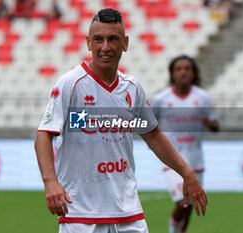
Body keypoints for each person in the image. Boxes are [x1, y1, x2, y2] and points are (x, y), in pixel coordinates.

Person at [35, 9, 207, 233]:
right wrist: (50, 182)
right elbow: (44, 134)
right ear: (88, 43)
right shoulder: (71, 83)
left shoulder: (132, 88)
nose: (105, 47)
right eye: (98, 39)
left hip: (128, 213)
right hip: (81, 214)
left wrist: (187, 173)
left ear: (125, 43)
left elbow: (153, 135)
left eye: (112, 39)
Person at [151, 55, 219, 233]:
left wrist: (210, 124)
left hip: (196, 161)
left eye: (187, 68)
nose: (183, 72)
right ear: (172, 74)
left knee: (189, 206)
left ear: (194, 73)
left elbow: (215, 125)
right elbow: (148, 123)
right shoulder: (161, 99)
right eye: (179, 69)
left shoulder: (202, 98)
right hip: (172, 162)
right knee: (183, 202)